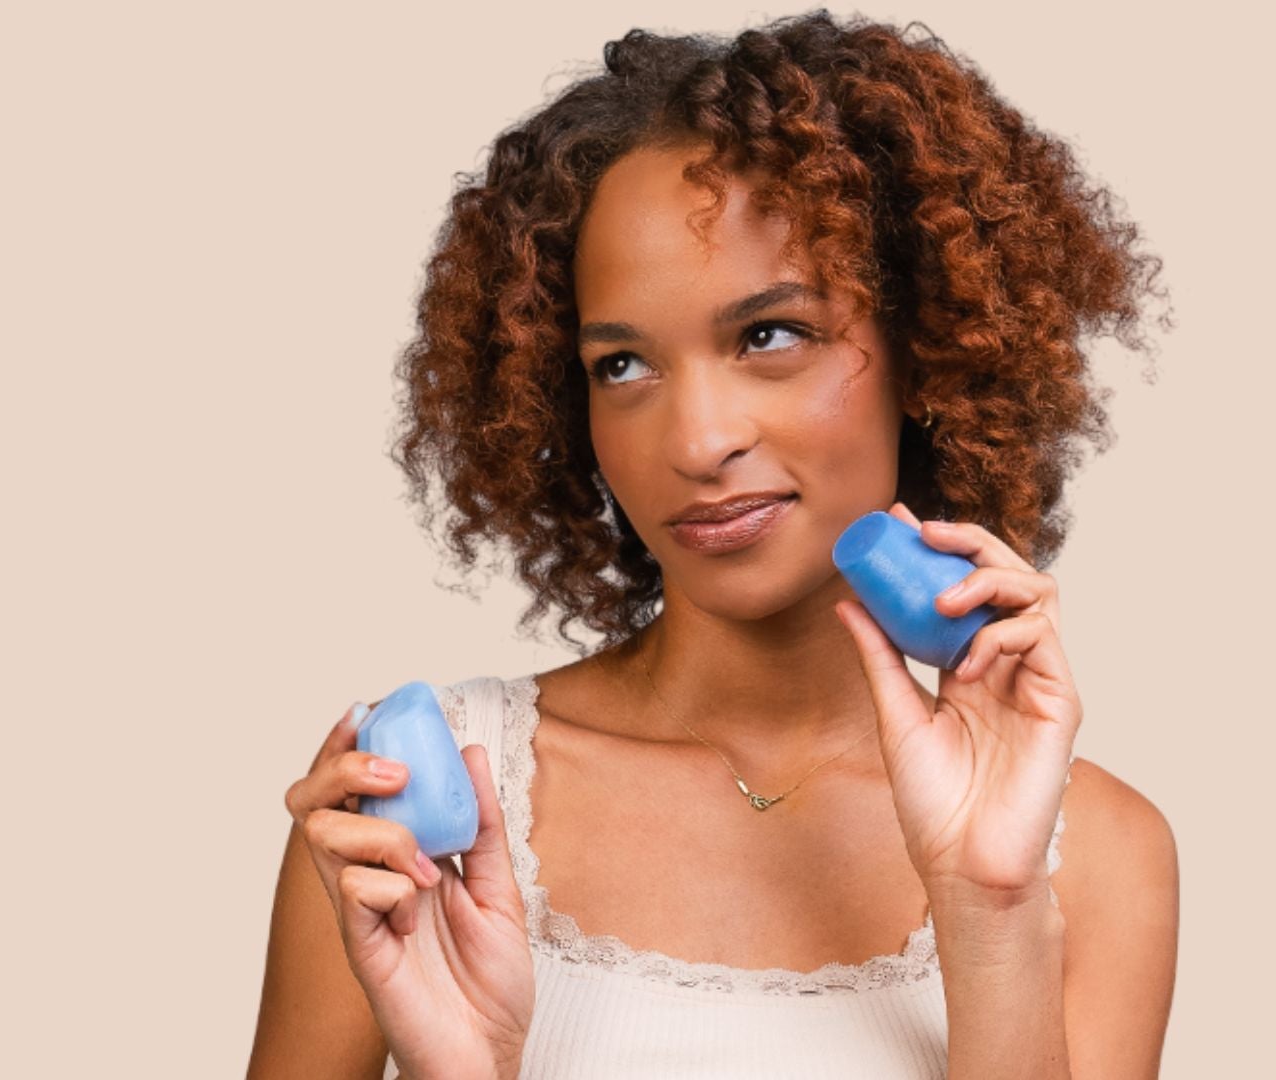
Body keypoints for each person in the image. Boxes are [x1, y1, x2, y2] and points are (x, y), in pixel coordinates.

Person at [249, 9, 1178, 1079]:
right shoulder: (412, 820)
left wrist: (991, 907)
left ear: (923, 350)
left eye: (770, 335)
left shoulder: (1098, 854)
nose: (695, 442)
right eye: (623, 366)